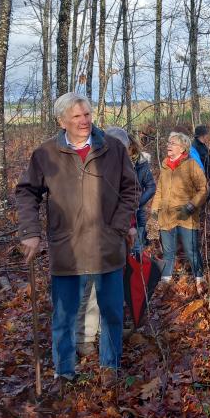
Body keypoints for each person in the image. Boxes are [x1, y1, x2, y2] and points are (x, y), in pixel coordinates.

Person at [16, 93, 139, 388]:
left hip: (107, 247)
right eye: (76, 116)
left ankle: (110, 365)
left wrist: (119, 227)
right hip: (66, 249)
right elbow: (26, 192)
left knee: (111, 311)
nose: (84, 121)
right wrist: (30, 232)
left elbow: (131, 188)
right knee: (64, 315)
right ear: (62, 121)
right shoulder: (45, 154)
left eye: (87, 114)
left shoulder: (113, 149)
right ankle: (64, 370)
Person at [75, 126, 135, 356]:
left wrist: (128, 227)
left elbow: (129, 198)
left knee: (109, 291)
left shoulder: (123, 166)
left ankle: (103, 336)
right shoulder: (91, 166)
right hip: (89, 239)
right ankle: (84, 339)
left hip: (114, 239)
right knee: (87, 290)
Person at [151, 132, 208, 294]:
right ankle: (166, 279)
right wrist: (155, 210)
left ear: (183, 148)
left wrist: (191, 206)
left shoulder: (191, 165)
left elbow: (203, 189)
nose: (168, 145)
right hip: (166, 216)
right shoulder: (164, 164)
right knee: (168, 251)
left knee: (191, 250)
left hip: (186, 216)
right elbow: (160, 189)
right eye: (168, 142)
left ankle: (199, 279)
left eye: (173, 143)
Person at [128, 132, 157, 254]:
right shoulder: (112, 161)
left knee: (136, 249)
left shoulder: (141, 163)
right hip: (118, 216)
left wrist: (138, 203)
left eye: (128, 147)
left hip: (137, 214)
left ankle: (140, 272)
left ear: (133, 146)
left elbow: (151, 187)